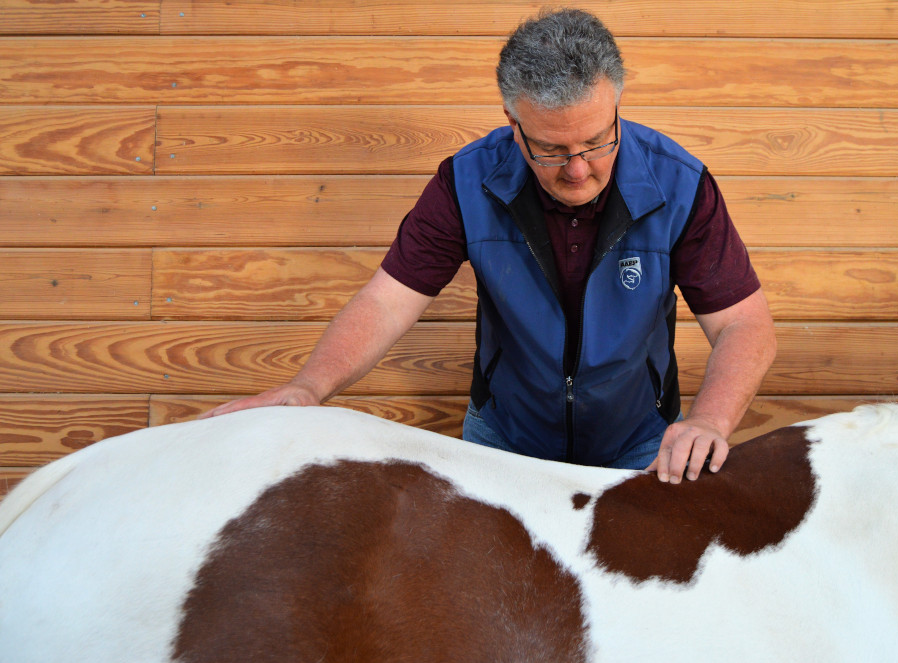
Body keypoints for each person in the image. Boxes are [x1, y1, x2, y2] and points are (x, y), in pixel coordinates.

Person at [202, 8, 776, 484]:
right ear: (512, 121)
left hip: (640, 443)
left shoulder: (681, 183)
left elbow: (744, 325)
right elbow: (386, 303)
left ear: (616, 105)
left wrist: (709, 421)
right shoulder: (465, 182)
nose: (579, 171)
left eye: (598, 142)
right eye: (550, 149)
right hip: (502, 442)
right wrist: (309, 386)